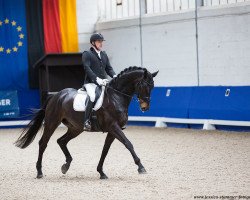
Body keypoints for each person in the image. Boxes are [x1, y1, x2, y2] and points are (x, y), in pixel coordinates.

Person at [82, 33, 117, 131]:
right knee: (93, 96)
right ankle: (86, 121)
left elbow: (109, 69)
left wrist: (115, 76)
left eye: (101, 41)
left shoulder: (103, 54)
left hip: (104, 82)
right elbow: (87, 68)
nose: (101, 43)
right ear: (93, 43)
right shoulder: (87, 54)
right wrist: (97, 79)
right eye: (99, 42)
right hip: (91, 83)